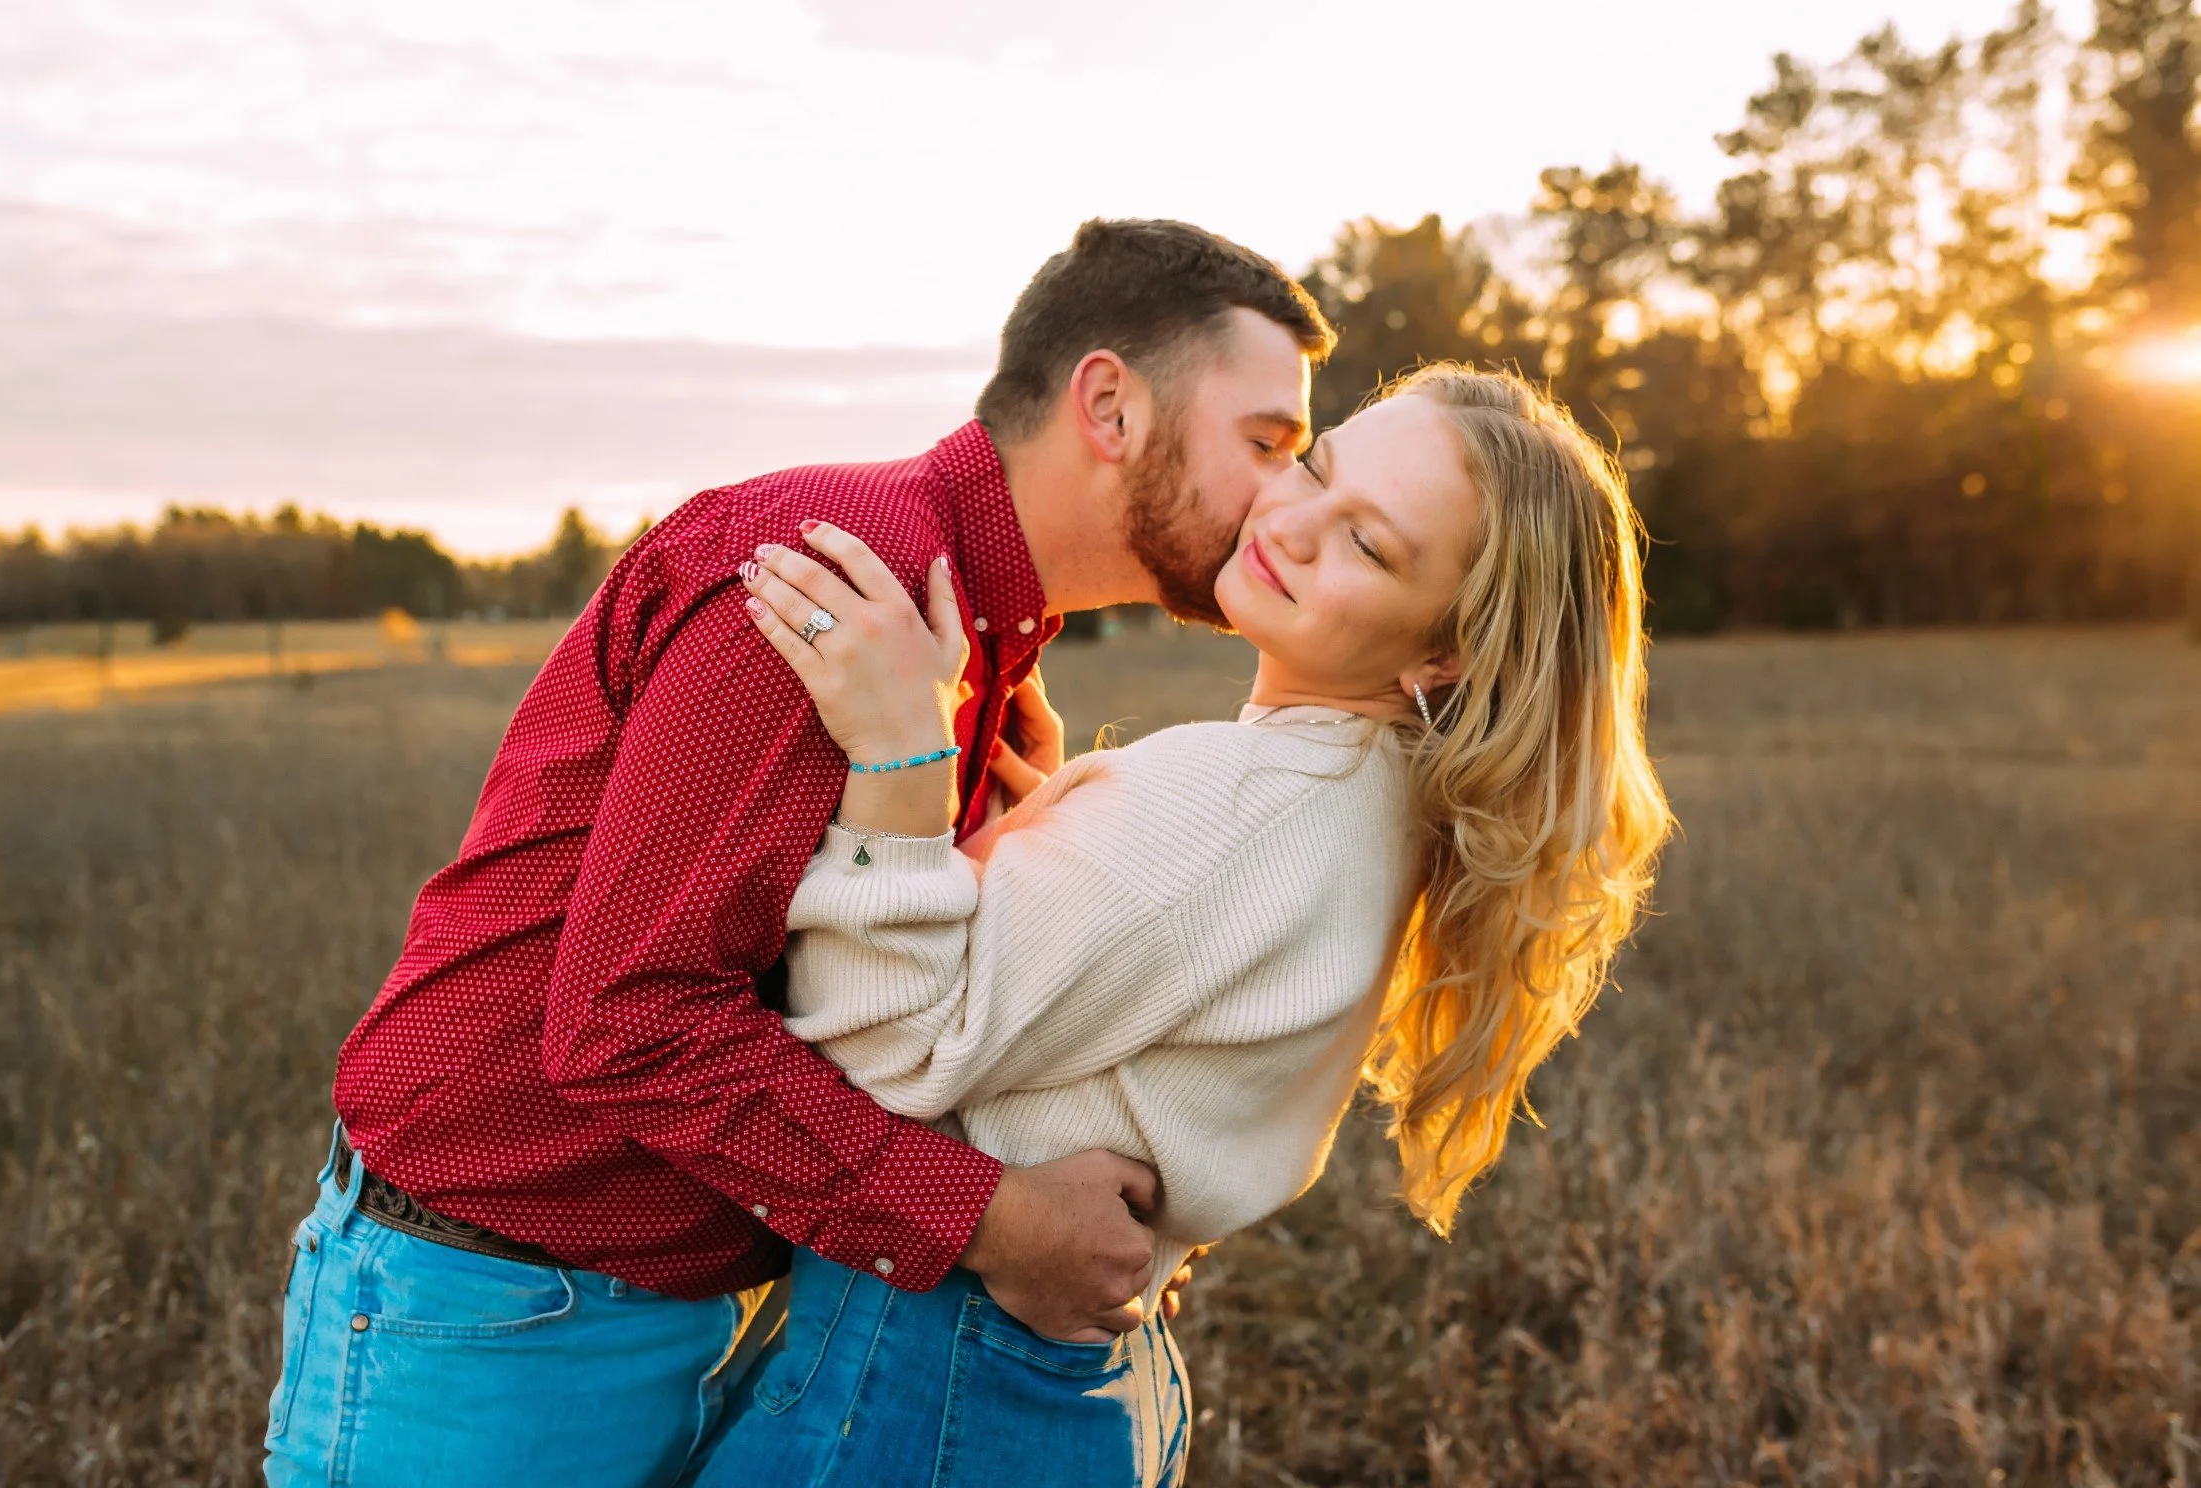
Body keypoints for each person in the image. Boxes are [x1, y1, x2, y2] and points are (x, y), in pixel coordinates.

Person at [262, 218, 1337, 1488]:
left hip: (679, 1297)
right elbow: (626, 1020)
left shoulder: (979, 634)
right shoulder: (832, 579)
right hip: (496, 1310)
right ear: (1109, 402)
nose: (1290, 492)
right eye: (1266, 443)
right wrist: (990, 1221)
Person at [693, 364, 1675, 1486]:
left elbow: (883, 1054)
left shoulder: (1233, 805)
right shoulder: (1374, 799)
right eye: (1313, 465)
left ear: (1441, 654)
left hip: (936, 1374)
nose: (1295, 523)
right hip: (1082, 1378)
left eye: (1370, 546)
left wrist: (900, 766)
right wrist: (1053, 841)